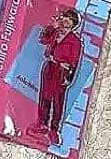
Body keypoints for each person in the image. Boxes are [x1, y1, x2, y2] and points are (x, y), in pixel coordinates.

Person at [26, 8, 83, 146]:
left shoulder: (75, 41)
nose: (66, 20)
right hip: (49, 67)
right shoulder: (55, 32)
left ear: (74, 23)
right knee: (44, 97)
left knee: (58, 101)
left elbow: (74, 62)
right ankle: (42, 123)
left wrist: (69, 78)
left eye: (70, 19)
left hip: (62, 72)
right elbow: (43, 39)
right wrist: (52, 27)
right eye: (65, 17)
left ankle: (54, 129)